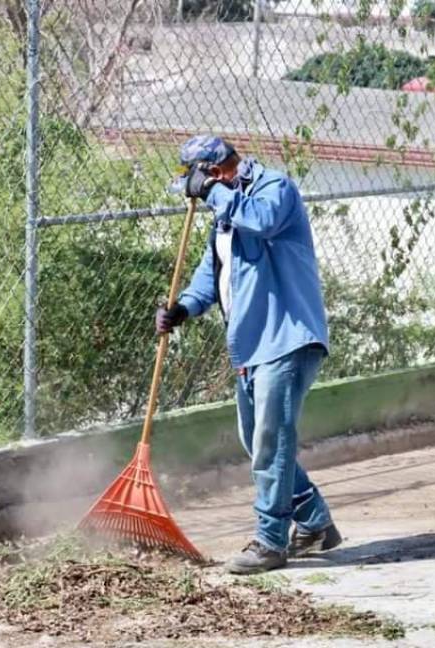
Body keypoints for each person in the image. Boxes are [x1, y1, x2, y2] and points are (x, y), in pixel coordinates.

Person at [157, 135, 342, 575]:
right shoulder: (223, 217)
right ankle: (315, 522)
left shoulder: (273, 191)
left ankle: (270, 541)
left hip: (287, 337)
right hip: (251, 342)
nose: (199, 196)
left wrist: (213, 193)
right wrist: (183, 308)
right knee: (255, 438)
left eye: (200, 182)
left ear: (217, 172)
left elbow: (261, 221)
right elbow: (212, 272)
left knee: (270, 442)